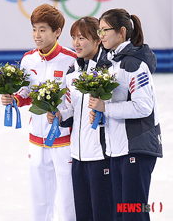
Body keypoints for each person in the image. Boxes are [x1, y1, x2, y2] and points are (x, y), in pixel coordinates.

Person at [1, 4, 77, 221]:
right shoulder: (28, 59)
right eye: (34, 29)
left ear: (57, 32)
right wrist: (13, 98)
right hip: (36, 140)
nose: (37, 35)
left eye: (42, 30)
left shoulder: (71, 60)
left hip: (64, 141)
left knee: (68, 201)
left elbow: (77, 101)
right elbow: (26, 93)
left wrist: (61, 114)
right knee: (39, 201)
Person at [88, 8, 163, 221]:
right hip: (118, 149)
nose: (100, 36)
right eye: (99, 30)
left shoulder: (133, 64)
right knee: (122, 215)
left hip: (137, 149)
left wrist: (106, 109)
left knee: (135, 214)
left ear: (122, 32)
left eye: (105, 30)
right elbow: (115, 104)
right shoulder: (112, 64)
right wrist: (100, 115)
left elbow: (143, 107)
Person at [47, 16, 114, 221]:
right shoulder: (72, 72)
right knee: (82, 214)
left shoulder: (108, 70)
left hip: (101, 155)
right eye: (74, 37)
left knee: (103, 214)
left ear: (97, 40)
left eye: (82, 37)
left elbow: (117, 108)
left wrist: (105, 111)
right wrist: (59, 115)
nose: (76, 43)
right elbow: (72, 110)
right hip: (77, 156)